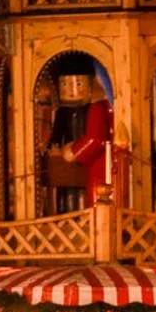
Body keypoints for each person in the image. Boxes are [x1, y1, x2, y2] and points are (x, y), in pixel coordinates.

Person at [46, 54, 113, 213]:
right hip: (67, 158)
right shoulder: (63, 112)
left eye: (77, 83)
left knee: (85, 191)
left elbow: (94, 137)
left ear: (90, 85)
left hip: (84, 158)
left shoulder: (94, 109)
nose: (71, 90)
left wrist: (77, 150)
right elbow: (58, 131)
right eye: (64, 84)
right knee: (65, 192)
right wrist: (54, 145)